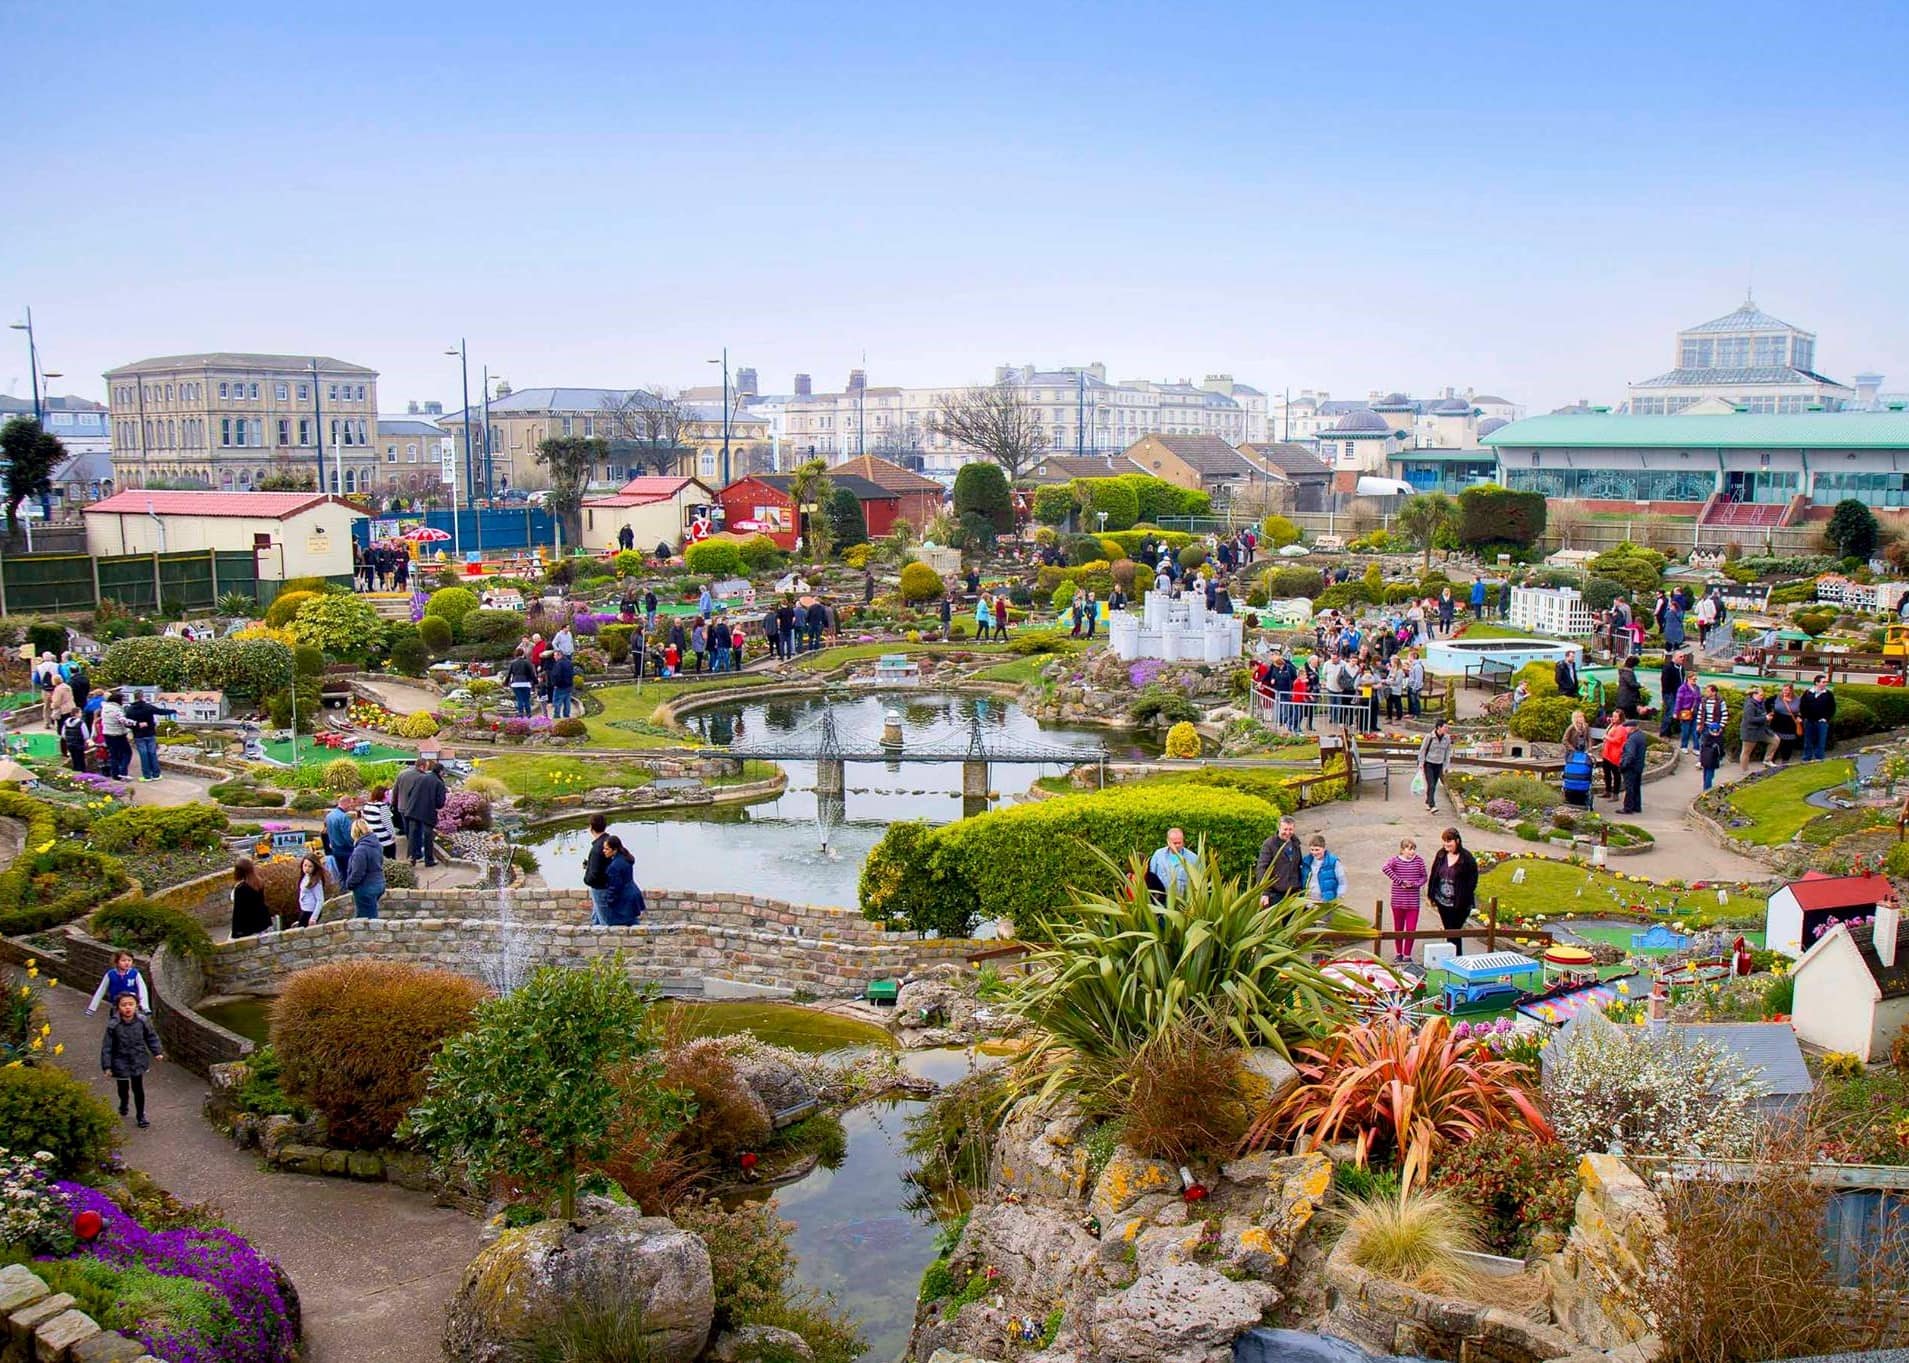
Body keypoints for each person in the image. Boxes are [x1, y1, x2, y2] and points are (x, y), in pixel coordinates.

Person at [100, 992, 163, 1129]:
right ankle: (124, 1103)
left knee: (138, 1088)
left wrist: (157, 1051)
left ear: (136, 1006)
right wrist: (107, 1066)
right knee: (123, 1087)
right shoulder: (113, 1025)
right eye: (124, 1005)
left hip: (137, 1058)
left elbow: (151, 1036)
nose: (127, 1008)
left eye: (131, 1004)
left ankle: (141, 1115)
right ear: (118, 1007)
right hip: (120, 1060)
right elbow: (107, 1046)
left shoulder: (142, 1021)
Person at [1427, 827, 1478, 951]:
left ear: (1457, 841)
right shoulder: (1441, 855)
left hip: (1459, 905)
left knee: (1454, 931)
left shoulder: (1467, 858)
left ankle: (1456, 958)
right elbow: (1434, 874)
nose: (1446, 844)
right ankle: (1451, 958)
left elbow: (1472, 881)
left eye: (1449, 841)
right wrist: (1431, 895)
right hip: (1442, 902)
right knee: (1449, 931)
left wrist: (1463, 899)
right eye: (1444, 841)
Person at [393, 757, 447, 866]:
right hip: (427, 813)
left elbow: (410, 793)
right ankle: (429, 860)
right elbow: (440, 803)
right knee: (427, 836)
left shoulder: (421, 778)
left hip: (412, 810)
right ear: (440, 772)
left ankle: (411, 859)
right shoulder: (439, 783)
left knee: (412, 835)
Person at [1381, 836, 1428, 961]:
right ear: (1402, 850)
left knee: (1411, 930)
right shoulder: (1395, 861)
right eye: (1409, 849)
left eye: (1413, 849)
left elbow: (1424, 877)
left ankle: (1407, 955)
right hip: (1398, 901)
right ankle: (1398, 953)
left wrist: (1414, 884)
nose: (1411, 852)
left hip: (1413, 902)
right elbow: (1385, 868)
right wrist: (1399, 881)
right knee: (1398, 929)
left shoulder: (1419, 861)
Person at [1255, 816, 1305, 906]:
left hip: (1294, 892)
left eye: (1290, 829)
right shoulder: (1269, 844)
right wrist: (1264, 893)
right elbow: (1262, 869)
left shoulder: (1295, 842)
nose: (1288, 832)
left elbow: (1299, 866)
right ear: (1279, 828)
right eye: (1285, 829)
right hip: (1276, 894)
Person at [343, 817, 386, 919]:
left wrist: (349, 884)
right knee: (365, 914)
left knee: (368, 920)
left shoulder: (360, 850)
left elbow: (358, 872)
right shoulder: (377, 845)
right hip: (379, 883)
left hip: (366, 887)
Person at [86, 949, 151, 1016]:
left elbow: (142, 989)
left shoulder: (135, 973)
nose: (127, 963)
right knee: (116, 1024)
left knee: (134, 1023)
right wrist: (92, 1008)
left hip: (132, 1006)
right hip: (116, 1006)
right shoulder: (110, 974)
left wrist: (145, 1006)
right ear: (116, 962)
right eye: (123, 960)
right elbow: (101, 991)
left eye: (129, 960)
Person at [600, 835, 646, 925]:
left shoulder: (614, 867)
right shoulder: (626, 858)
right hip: (632, 892)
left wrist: (609, 901)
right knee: (633, 923)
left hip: (624, 899)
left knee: (622, 924)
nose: (604, 851)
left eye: (607, 849)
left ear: (615, 850)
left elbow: (615, 887)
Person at [1147, 828, 1199, 899]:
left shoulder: (1193, 858)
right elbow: (1151, 877)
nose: (1177, 845)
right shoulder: (1158, 855)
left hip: (1184, 903)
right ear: (1168, 841)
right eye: (1174, 843)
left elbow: (1198, 882)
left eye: (1179, 842)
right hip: (1162, 902)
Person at [1417, 719, 1454, 812]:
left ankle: (1427, 801)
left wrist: (1446, 765)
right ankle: (1432, 805)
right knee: (1431, 784)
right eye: (1445, 727)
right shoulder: (1429, 737)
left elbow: (1448, 752)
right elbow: (1423, 750)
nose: (1446, 729)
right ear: (1439, 727)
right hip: (1429, 763)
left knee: (1434, 784)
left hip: (1439, 764)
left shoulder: (1447, 738)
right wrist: (1421, 763)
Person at [582, 813, 612, 925]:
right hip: (609, 885)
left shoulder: (597, 848)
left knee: (605, 921)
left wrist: (586, 879)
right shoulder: (609, 841)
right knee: (597, 917)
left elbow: (594, 874)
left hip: (600, 888)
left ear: (591, 827)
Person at [231, 859, 272, 938]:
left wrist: (235, 932)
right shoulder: (259, 883)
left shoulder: (241, 888)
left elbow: (238, 911)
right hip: (262, 922)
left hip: (248, 927)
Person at [1800, 676, 1836, 762]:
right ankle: (1806, 758)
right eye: (1823, 682)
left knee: (1821, 741)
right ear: (1817, 683)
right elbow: (1802, 706)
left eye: (1825, 682)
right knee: (1808, 741)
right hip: (1809, 721)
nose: (1825, 684)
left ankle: (1819, 758)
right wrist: (1804, 717)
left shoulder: (1828, 694)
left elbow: (1832, 708)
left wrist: (1826, 718)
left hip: (1821, 722)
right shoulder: (1808, 693)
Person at [98, 691, 132, 780]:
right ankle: (123, 772)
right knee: (127, 753)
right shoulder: (117, 710)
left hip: (107, 734)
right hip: (118, 734)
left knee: (114, 755)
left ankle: (115, 775)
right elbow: (123, 721)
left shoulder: (104, 708)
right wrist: (136, 723)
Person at [324, 793, 357, 882]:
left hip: (335, 849)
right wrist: (354, 845)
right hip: (345, 849)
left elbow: (326, 831)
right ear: (346, 803)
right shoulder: (344, 817)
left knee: (340, 873)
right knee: (348, 873)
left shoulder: (329, 815)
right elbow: (348, 836)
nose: (351, 807)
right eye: (350, 804)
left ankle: (342, 889)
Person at [1302, 834, 1342, 907]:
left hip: (1325, 903)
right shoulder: (1306, 862)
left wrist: (1338, 898)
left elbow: (1342, 882)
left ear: (1324, 848)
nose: (1314, 853)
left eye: (1317, 850)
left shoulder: (1334, 862)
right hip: (1308, 903)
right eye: (1312, 850)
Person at [1739, 686, 1773, 771]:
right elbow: (1750, 719)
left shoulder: (1762, 703)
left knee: (1775, 740)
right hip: (1750, 731)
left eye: (1763, 695)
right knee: (1746, 752)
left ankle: (1767, 760)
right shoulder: (1749, 705)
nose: (1763, 697)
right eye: (1761, 695)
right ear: (1754, 695)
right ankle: (1745, 771)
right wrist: (1765, 718)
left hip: (1761, 730)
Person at [361, 785, 399, 860]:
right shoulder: (382, 806)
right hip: (385, 839)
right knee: (390, 859)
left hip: (373, 838)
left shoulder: (366, 805)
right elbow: (387, 823)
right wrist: (392, 834)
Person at [1619, 719, 1649, 814]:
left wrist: (1623, 765)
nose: (1625, 730)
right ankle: (1637, 806)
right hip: (1638, 766)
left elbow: (1630, 754)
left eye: (1626, 728)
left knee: (1629, 787)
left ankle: (1628, 808)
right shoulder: (1641, 736)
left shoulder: (1632, 739)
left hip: (1631, 767)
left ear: (1631, 728)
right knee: (1636, 787)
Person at [1769, 682, 1801, 767]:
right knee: (1775, 742)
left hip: (1790, 724)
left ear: (1791, 690)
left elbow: (1803, 709)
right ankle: (1771, 761)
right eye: (1784, 690)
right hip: (1777, 722)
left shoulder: (1797, 699)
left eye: (1787, 690)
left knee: (1788, 743)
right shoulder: (1777, 697)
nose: (1785, 692)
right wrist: (1769, 713)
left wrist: (1799, 717)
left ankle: (1785, 761)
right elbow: (1766, 703)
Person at [1600, 714, 1629, 800]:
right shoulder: (1612, 725)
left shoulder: (1621, 728)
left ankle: (1615, 793)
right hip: (1607, 753)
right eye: (1613, 716)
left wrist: (1606, 737)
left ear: (1620, 718)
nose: (1613, 718)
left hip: (1615, 754)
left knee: (1616, 774)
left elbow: (1617, 740)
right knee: (1607, 773)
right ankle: (1607, 790)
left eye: (1616, 717)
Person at [295, 854, 328, 928]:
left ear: (314, 867)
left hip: (310, 911)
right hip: (304, 909)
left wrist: (314, 918)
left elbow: (320, 900)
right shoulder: (305, 877)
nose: (307, 868)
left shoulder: (316, 881)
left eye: (310, 866)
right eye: (305, 865)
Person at [1658, 652, 1685, 739]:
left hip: (1678, 694)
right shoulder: (1668, 668)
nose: (1683, 658)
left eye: (1683, 657)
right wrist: (1668, 694)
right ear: (1675, 658)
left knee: (1673, 713)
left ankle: (1669, 732)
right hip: (1670, 694)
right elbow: (1664, 682)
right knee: (1670, 712)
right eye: (1680, 657)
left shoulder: (1681, 668)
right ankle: (1664, 733)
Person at [1674, 673, 1702, 752]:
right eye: (1693, 679)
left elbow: (1699, 699)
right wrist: (1676, 712)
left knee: (1695, 730)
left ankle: (1696, 747)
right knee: (1685, 730)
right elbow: (1679, 700)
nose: (1695, 681)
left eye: (1696, 679)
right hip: (1685, 711)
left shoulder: (1697, 688)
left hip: (1695, 712)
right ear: (1688, 679)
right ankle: (1684, 746)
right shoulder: (1683, 688)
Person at [549, 649, 576, 718]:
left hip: (560, 685)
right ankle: (566, 715)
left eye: (555, 656)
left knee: (558, 701)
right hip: (569, 685)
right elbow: (572, 673)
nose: (554, 657)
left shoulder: (559, 664)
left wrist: (555, 684)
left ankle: (557, 715)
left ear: (559, 655)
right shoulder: (569, 662)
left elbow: (556, 675)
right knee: (567, 701)